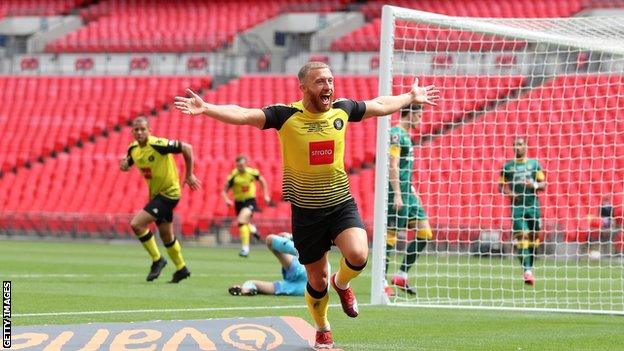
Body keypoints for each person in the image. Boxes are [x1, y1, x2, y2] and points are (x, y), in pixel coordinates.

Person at [174, 62, 439, 349]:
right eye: (320, 82)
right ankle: (323, 327)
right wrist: (208, 107)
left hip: (340, 202)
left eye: (330, 80)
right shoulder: (284, 115)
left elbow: (379, 104)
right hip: (306, 211)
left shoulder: (342, 109)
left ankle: (343, 283)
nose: (328, 87)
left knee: (359, 255)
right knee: (317, 278)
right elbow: (244, 114)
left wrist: (409, 98)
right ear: (303, 87)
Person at [120, 116, 201, 283]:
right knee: (166, 236)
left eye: (143, 129)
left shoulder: (158, 144)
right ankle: (181, 268)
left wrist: (189, 174)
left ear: (150, 131)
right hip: (157, 195)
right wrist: (125, 166)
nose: (140, 132)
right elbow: (128, 162)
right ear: (132, 132)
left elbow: (187, 148)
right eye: (137, 129)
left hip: (169, 193)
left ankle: (157, 260)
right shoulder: (133, 149)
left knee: (137, 224)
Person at [385, 104, 433, 296]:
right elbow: (393, 165)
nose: (420, 120)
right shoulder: (396, 134)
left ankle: (401, 275)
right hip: (397, 193)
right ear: (410, 114)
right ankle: (381, 281)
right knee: (390, 237)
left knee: (425, 232)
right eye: (419, 116)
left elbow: (404, 169)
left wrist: (412, 191)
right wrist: (397, 193)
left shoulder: (407, 137)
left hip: (408, 193)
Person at [499, 137, 545, 286]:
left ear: (525, 146)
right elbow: (500, 186)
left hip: (533, 206)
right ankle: (527, 271)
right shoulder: (507, 167)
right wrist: (509, 193)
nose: (517, 148)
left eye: (519, 145)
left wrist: (534, 185)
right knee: (522, 238)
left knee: (534, 240)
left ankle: (529, 267)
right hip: (517, 208)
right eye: (515, 145)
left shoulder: (534, 165)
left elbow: (543, 184)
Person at [221, 154, 271, 257]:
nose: (241, 167)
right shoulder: (233, 176)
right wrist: (227, 200)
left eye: (242, 165)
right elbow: (224, 191)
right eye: (239, 165)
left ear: (246, 164)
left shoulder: (252, 173)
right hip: (238, 203)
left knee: (240, 221)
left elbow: (262, 181)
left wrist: (265, 194)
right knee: (243, 223)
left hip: (250, 201)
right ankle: (252, 228)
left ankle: (245, 249)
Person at [228, 232, 306, 296]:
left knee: (270, 239)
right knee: (270, 239)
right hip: (303, 284)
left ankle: (246, 288)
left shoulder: (294, 268)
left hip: (300, 283)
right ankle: (246, 289)